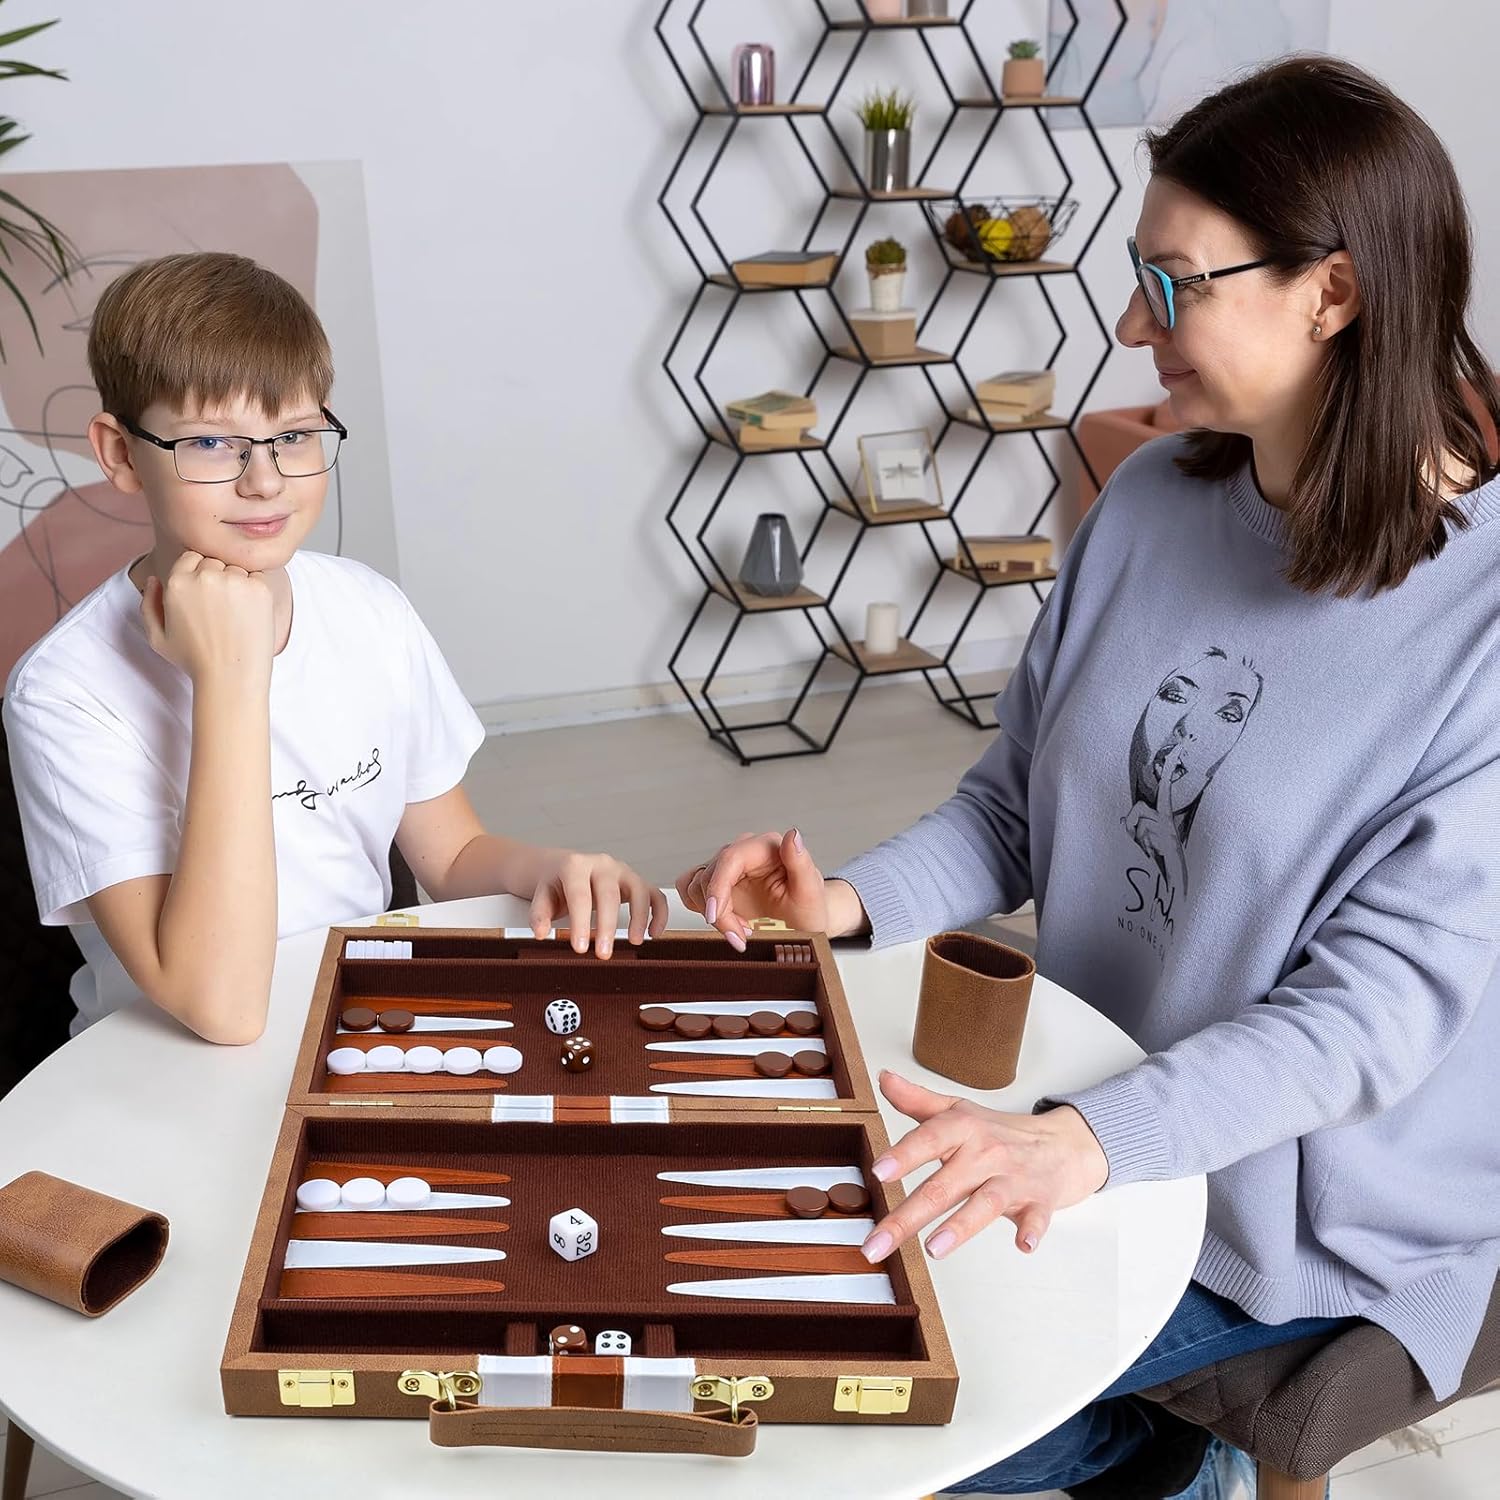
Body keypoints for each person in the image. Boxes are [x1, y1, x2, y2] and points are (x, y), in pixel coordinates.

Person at [678, 56, 1500, 1495]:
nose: (1131, 324)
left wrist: (1084, 1146)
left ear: (1334, 292)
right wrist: (845, 907)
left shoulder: (1479, 626)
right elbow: (1017, 806)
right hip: (1079, 1104)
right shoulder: (1150, 505)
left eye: (1173, 284)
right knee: (745, 1311)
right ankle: (1156, 1462)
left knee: (862, 1418)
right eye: (1138, 276)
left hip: (1295, 1214)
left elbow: (1367, 1021)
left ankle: (1164, 1460)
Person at [4, 251, 665, 1046]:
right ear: (120, 454)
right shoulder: (63, 690)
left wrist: (546, 869)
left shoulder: (370, 610)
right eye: (211, 442)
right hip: (166, 1064)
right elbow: (222, 1009)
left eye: (293, 436)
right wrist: (230, 680)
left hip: (362, 1023)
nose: (265, 481)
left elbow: (451, 854)